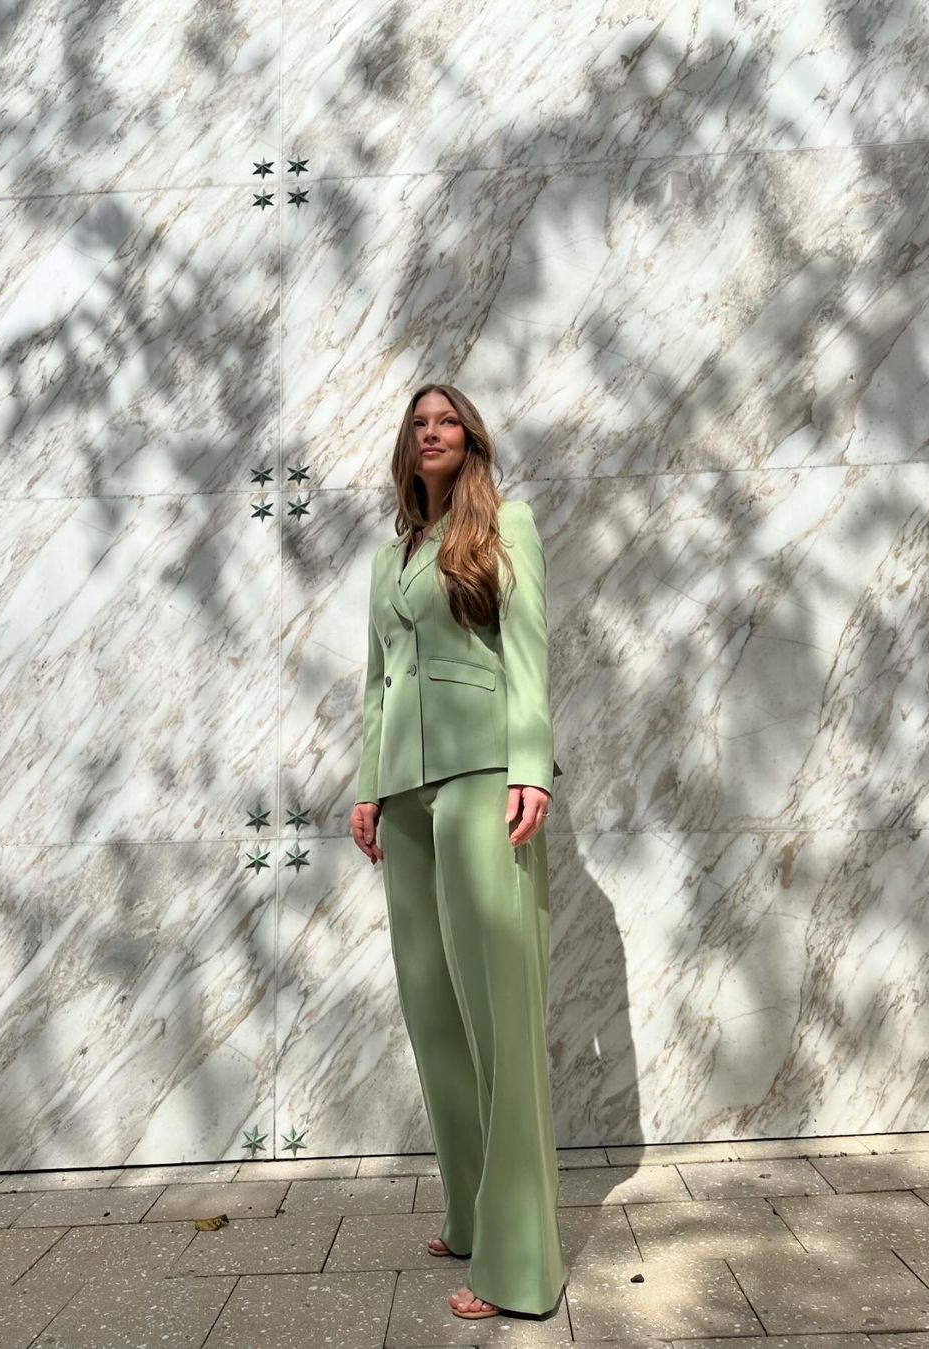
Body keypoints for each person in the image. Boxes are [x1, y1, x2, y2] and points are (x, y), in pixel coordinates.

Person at [349, 383, 567, 1322]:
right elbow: (376, 684)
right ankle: (472, 1211)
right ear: (407, 446)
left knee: (499, 1012)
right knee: (434, 1008)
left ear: (469, 440)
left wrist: (532, 766)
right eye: (418, 423)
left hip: (485, 775)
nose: (431, 432)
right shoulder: (387, 558)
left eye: (446, 421)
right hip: (404, 793)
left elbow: (529, 649)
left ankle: (521, 1268)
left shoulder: (505, 525)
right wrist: (368, 786)